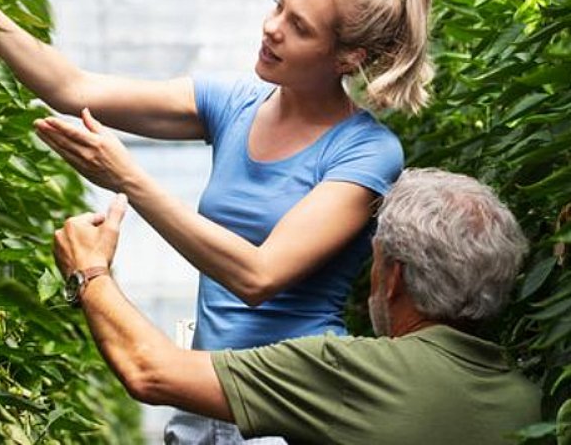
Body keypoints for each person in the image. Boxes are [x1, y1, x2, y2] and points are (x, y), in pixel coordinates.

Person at [0, 0, 433, 442]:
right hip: (202, 393)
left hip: (290, 408)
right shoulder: (233, 103)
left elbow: (258, 275)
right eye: (278, 6)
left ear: (346, 58)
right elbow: (74, 88)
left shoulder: (366, 151)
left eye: (299, 27)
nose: (271, 28)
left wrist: (130, 180)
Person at [53, 168, 541, 445]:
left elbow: (151, 372)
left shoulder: (356, 373)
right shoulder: (529, 399)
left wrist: (90, 271)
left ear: (393, 277)